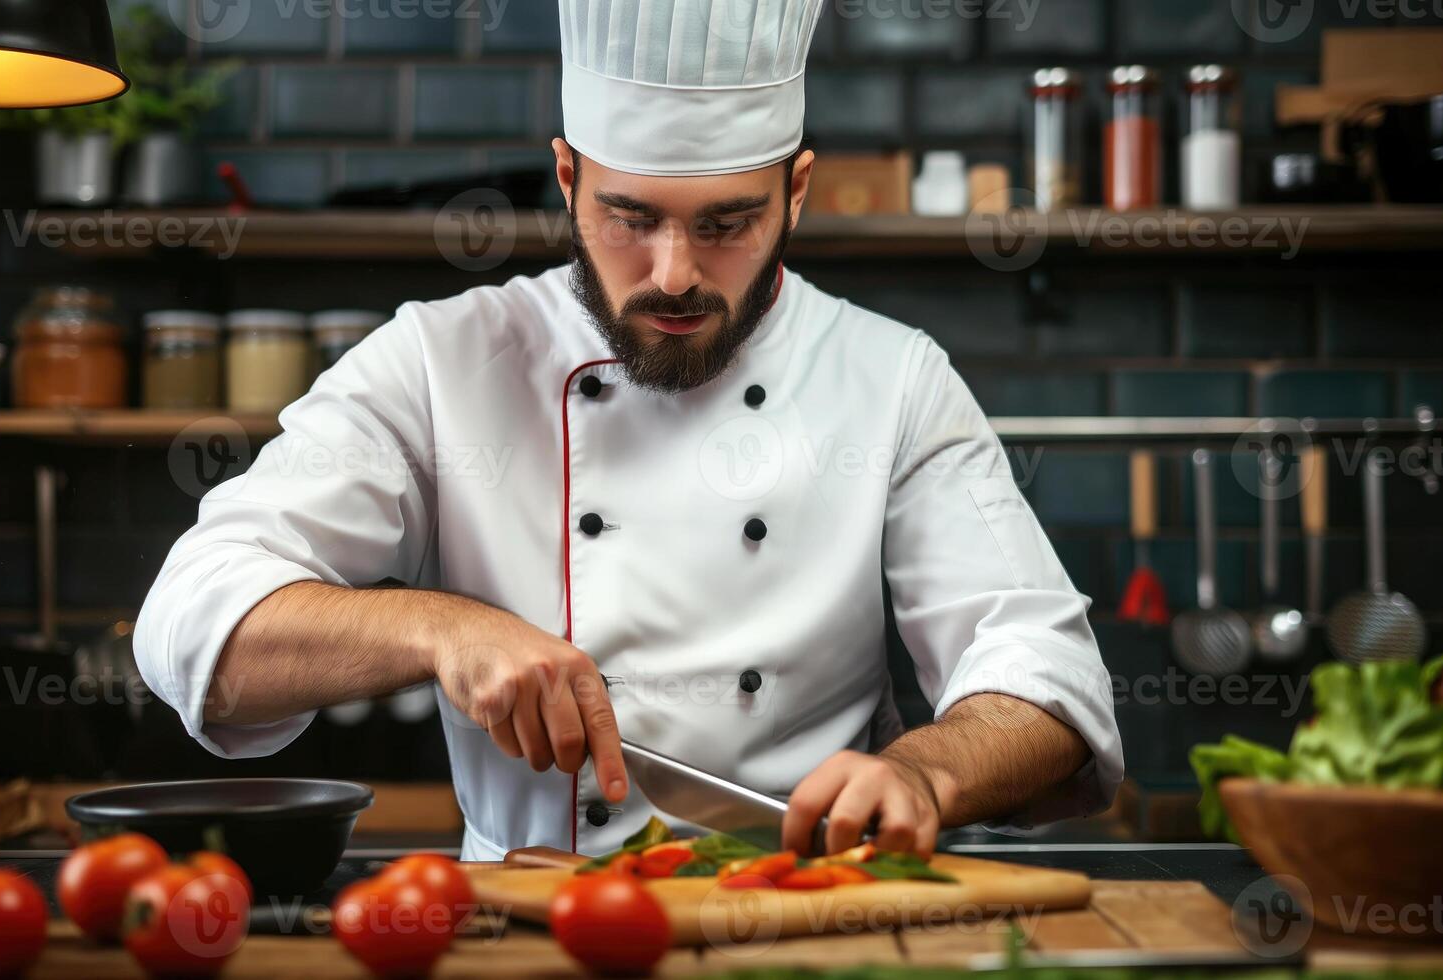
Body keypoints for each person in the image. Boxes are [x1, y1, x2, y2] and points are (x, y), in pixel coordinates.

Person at [136, 0, 1121, 861]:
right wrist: (438, 628)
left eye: (727, 223)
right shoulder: (442, 361)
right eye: (628, 215)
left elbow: (1044, 669)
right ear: (565, 178)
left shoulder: (893, 377)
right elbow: (193, 625)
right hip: (530, 928)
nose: (676, 271)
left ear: (799, 191)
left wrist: (927, 774)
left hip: (803, 914)